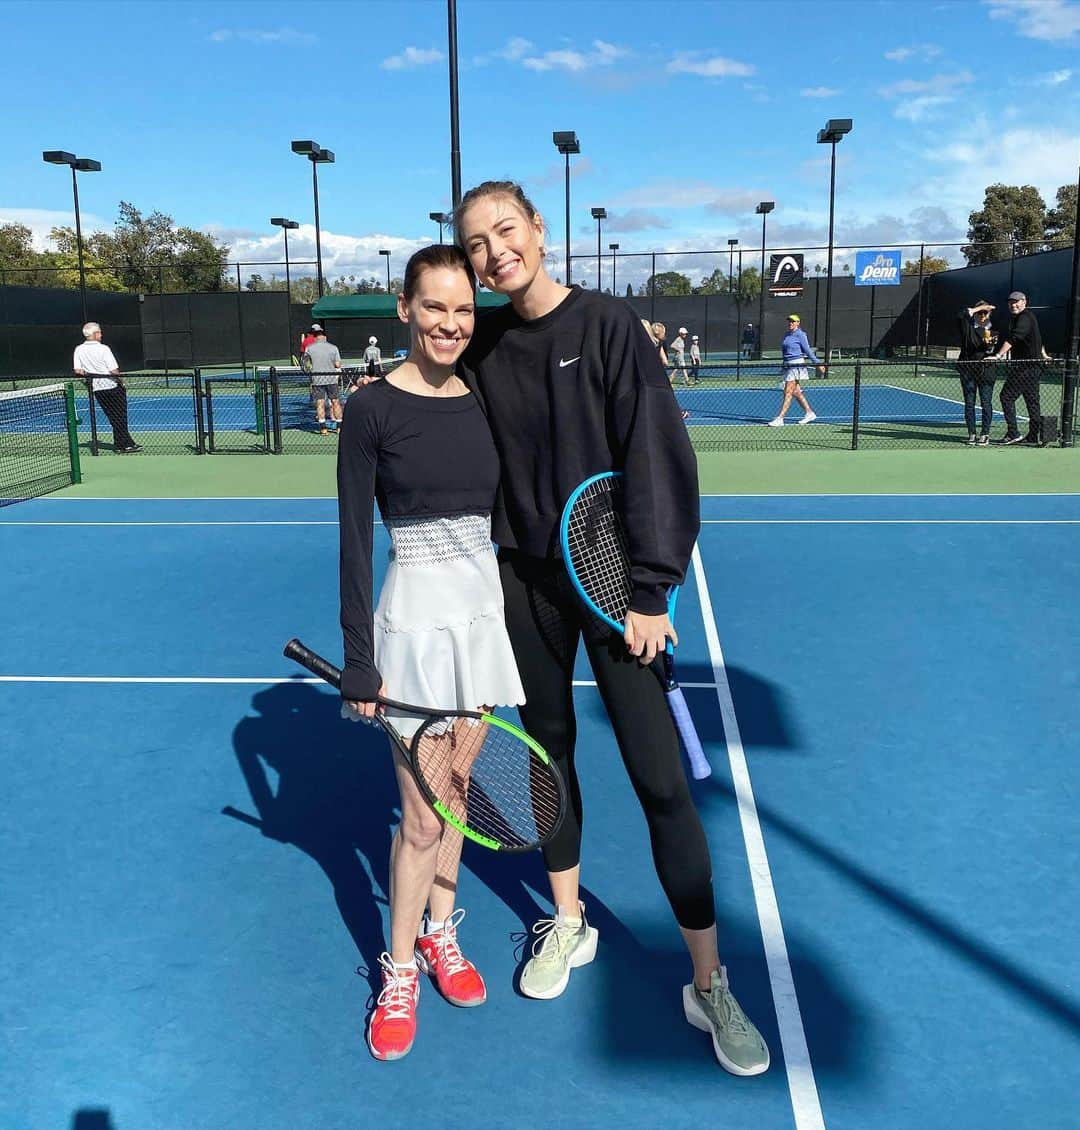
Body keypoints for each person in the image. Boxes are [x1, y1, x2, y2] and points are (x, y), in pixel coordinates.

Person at [455, 179, 770, 1076]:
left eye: (505, 231)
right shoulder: (482, 345)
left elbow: (657, 454)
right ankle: (569, 923)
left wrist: (652, 589)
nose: (494, 252)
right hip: (528, 588)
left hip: (614, 590)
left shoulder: (608, 329)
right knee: (548, 762)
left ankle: (706, 983)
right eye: (477, 243)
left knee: (661, 783)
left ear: (540, 232)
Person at [337, 243, 526, 1061]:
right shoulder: (371, 408)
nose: (450, 323)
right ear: (405, 310)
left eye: (463, 309)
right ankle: (402, 967)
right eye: (435, 307)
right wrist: (358, 656)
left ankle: (444, 930)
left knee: (456, 796)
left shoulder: (485, 394)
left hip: (482, 616)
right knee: (419, 818)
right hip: (411, 624)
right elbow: (350, 539)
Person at [72, 322, 140, 453]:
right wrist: (121, 382)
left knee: (113, 416)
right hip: (111, 386)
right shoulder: (104, 349)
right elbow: (114, 370)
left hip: (97, 389)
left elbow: (78, 371)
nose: (101, 334)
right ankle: (123, 445)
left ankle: (125, 443)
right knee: (120, 416)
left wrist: (90, 377)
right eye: (100, 332)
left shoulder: (79, 349)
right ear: (95, 334)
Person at [991, 291, 1044, 445]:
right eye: (1011, 302)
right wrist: (1043, 353)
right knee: (1032, 401)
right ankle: (1034, 436)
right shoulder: (1021, 318)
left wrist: (998, 356)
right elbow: (1036, 339)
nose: (1013, 305)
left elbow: (1014, 338)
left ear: (1024, 302)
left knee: (1006, 396)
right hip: (1032, 366)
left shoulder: (1024, 317)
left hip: (1027, 367)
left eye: (1016, 302)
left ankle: (1013, 433)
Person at [767, 314, 824, 426]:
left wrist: (818, 363)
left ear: (798, 323)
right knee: (796, 392)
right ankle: (809, 413)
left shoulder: (801, 335)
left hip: (796, 364)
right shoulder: (787, 335)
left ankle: (780, 418)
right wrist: (783, 366)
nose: (790, 323)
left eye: (793, 321)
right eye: (789, 321)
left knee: (788, 391)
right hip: (788, 365)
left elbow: (807, 350)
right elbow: (785, 352)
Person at [956, 300, 998, 445]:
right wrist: (978, 308)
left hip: (987, 371)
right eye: (979, 312)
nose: (982, 315)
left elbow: (1005, 345)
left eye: (985, 312)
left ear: (990, 314)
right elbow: (960, 315)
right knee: (969, 403)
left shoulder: (995, 328)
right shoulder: (967, 326)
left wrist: (996, 352)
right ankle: (972, 433)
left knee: (986, 402)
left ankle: (985, 434)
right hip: (968, 370)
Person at [303, 326, 344, 436]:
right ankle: (339, 428)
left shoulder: (309, 348)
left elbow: (306, 364)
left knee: (320, 403)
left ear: (315, 338)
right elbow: (338, 364)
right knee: (335, 402)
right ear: (325, 337)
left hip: (317, 379)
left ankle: (323, 429)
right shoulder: (333, 348)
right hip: (331, 379)